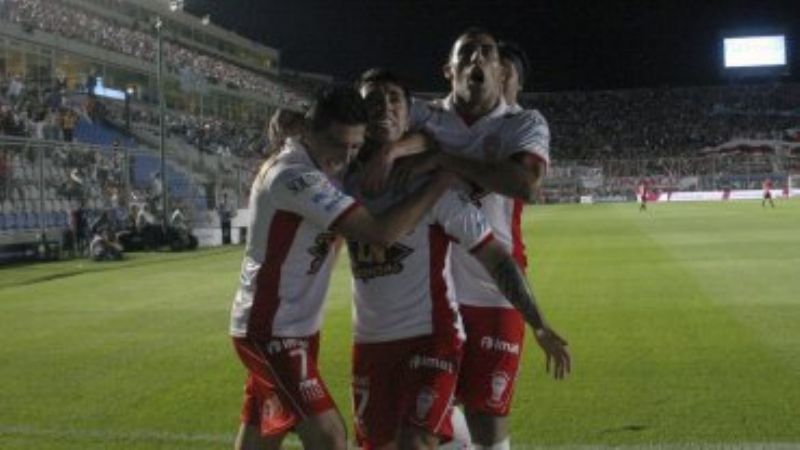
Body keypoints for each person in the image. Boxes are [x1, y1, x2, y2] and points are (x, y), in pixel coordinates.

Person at [346, 69, 569, 450]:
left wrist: (539, 322)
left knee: (415, 442)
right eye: (373, 101)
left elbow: (497, 256)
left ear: (408, 112)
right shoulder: (341, 181)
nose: (384, 107)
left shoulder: (438, 191)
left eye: (394, 99)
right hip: (371, 341)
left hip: (432, 338)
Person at [229, 85, 454, 450]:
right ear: (311, 133)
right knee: (330, 436)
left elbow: (426, 139)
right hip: (271, 326)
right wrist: (441, 183)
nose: (346, 157)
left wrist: (394, 150)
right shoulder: (295, 176)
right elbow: (381, 234)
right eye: (339, 146)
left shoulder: (323, 156)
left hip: (294, 325)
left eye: (354, 147)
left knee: (260, 432)